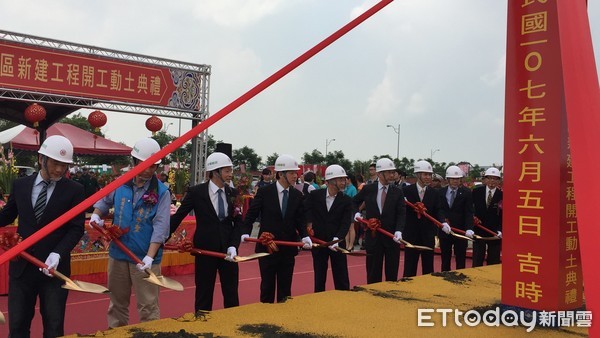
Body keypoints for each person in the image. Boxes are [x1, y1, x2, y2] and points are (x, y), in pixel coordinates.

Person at [0, 135, 85, 338]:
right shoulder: (20, 185)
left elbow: (76, 228)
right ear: (41, 159)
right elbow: (7, 215)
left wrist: (58, 253)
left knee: (54, 328)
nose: (58, 170)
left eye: (64, 165)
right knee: (18, 326)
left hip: (53, 271)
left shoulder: (75, 190)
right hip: (22, 268)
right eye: (55, 163)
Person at [90, 138, 171, 328]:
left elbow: (161, 226)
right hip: (118, 254)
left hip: (144, 258)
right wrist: (95, 215)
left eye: (154, 166)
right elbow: (103, 201)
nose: (149, 171)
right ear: (134, 161)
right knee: (117, 305)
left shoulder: (162, 192)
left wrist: (150, 257)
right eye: (145, 165)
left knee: (148, 307)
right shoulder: (120, 183)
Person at [170, 152, 243, 312]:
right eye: (227, 171)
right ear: (215, 172)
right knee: (204, 295)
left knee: (231, 294)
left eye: (231, 170)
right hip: (204, 251)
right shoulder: (196, 192)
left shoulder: (234, 194)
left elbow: (238, 223)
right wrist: (161, 237)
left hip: (228, 253)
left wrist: (233, 245)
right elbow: (178, 216)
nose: (231, 174)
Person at [240, 154, 312, 303]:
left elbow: (300, 219)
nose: (295, 176)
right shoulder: (265, 192)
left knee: (285, 291)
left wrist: (305, 236)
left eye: (296, 173)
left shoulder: (297, 195)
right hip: (267, 248)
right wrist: (245, 231)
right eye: (292, 173)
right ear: (281, 174)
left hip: (288, 248)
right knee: (267, 287)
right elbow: (252, 214)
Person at [353, 157, 406, 284]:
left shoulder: (398, 192)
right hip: (373, 236)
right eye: (389, 172)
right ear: (379, 174)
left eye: (393, 172)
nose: (392, 175)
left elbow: (401, 213)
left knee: (392, 272)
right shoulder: (368, 189)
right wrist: (356, 212)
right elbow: (354, 202)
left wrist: (399, 230)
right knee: (373, 271)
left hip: (391, 237)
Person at [305, 164, 352, 292]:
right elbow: (306, 211)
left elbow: (346, 222)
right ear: (331, 181)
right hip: (319, 244)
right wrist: (309, 226)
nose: (344, 182)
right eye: (341, 179)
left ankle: (343, 301)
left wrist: (338, 238)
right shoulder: (315, 195)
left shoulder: (346, 200)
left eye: (344, 179)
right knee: (319, 277)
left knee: (341, 277)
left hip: (337, 244)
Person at [402, 160, 447, 277]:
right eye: (425, 174)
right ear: (418, 175)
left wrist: (443, 222)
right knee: (409, 268)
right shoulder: (405, 191)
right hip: (411, 236)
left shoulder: (434, 193)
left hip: (428, 235)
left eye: (430, 175)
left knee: (428, 268)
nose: (428, 177)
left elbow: (438, 210)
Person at [438, 165, 474, 271]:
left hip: (460, 231)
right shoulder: (440, 192)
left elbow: (469, 212)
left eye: (458, 179)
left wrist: (469, 228)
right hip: (445, 230)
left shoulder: (467, 193)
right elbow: (439, 210)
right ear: (447, 179)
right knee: (445, 257)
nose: (455, 181)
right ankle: (445, 277)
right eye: (453, 179)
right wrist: (442, 222)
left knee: (460, 258)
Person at [472, 167, 503, 267]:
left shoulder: (502, 195)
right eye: (489, 178)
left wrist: (500, 230)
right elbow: (469, 209)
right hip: (479, 231)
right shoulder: (476, 192)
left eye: (495, 178)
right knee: (477, 260)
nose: (492, 181)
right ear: (485, 179)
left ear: (499, 181)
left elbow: (504, 215)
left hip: (494, 233)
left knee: (493, 261)